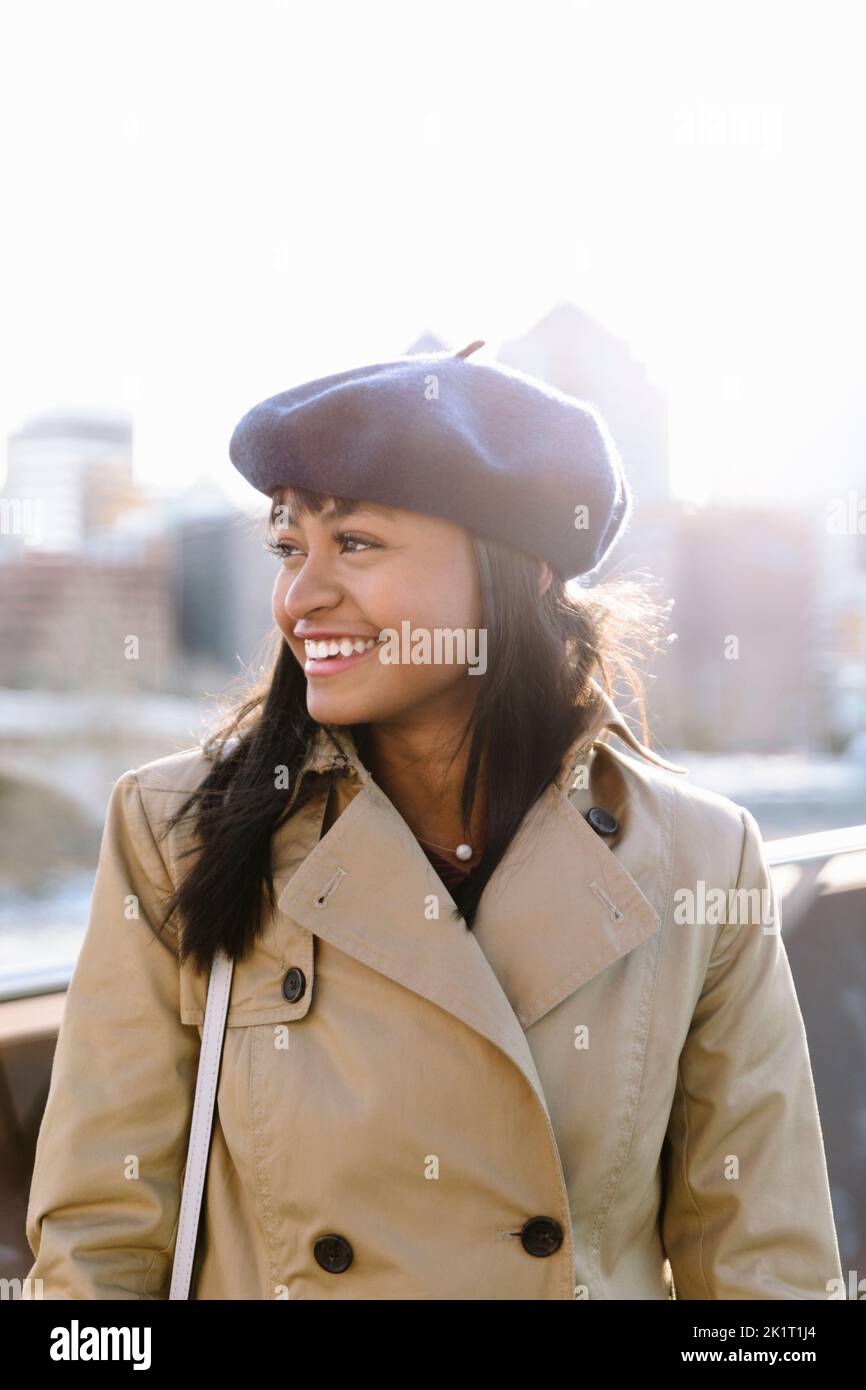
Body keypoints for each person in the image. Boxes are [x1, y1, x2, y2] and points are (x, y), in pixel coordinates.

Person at [25, 341, 842, 1299]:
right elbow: (96, 1249)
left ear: (523, 570)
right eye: (289, 546)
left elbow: (765, 1271)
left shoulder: (701, 857)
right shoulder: (179, 830)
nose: (299, 597)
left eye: (355, 544)